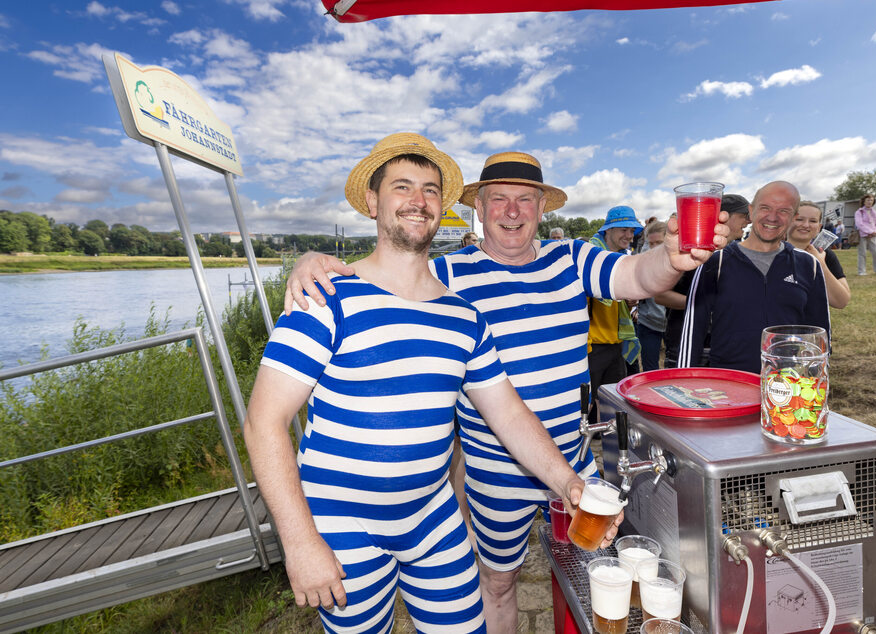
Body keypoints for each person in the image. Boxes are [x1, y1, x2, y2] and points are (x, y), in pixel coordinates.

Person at [284, 150, 731, 632]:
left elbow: (637, 276)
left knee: (596, 575)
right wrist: (312, 263)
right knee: (497, 582)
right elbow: (387, 274)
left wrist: (670, 257)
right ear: (480, 208)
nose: (512, 211)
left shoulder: (573, 258)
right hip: (493, 472)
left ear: (543, 209)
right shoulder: (448, 276)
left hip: (572, 461)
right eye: (499, 199)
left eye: (525, 199)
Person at [244, 134, 590, 633]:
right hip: (344, 525)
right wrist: (298, 542)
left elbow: (509, 414)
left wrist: (569, 484)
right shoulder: (327, 298)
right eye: (402, 186)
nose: (418, 200)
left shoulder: (462, 315)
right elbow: (264, 422)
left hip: (431, 516)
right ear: (372, 202)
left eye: (430, 190)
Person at [678, 181, 831, 374]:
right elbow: (692, 331)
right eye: (765, 207)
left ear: (794, 217)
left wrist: (816, 382)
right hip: (727, 385)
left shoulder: (809, 265)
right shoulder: (715, 263)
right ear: (751, 211)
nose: (773, 217)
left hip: (787, 385)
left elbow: (820, 335)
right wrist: (683, 379)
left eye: (784, 211)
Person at [657, 193, 751, 368]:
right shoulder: (692, 249)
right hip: (684, 344)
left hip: (720, 346)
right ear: (724, 215)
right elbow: (660, 295)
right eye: (744, 216)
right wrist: (703, 306)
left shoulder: (736, 254)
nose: (748, 222)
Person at [587, 205, 643, 412]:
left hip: (616, 341)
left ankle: (608, 441)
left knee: (613, 402)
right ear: (607, 230)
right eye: (624, 230)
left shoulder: (623, 260)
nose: (629, 235)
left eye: (632, 231)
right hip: (591, 346)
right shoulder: (591, 257)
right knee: (587, 405)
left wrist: (627, 300)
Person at [787, 201, 851, 309]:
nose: (806, 225)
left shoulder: (825, 255)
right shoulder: (771, 253)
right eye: (799, 219)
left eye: (813, 221)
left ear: (819, 227)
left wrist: (820, 265)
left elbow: (841, 302)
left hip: (814, 324)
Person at [635, 221, 668, 372]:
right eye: (651, 243)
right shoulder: (644, 261)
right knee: (650, 369)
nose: (655, 247)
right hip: (648, 323)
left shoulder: (682, 263)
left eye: (659, 242)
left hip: (672, 325)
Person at [855, 194, 876, 275]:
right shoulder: (859, 212)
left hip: (873, 236)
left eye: (871, 200)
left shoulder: (874, 212)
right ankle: (861, 271)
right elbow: (859, 224)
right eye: (868, 200)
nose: (870, 202)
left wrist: (875, 231)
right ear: (864, 202)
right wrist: (869, 232)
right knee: (862, 253)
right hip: (863, 235)